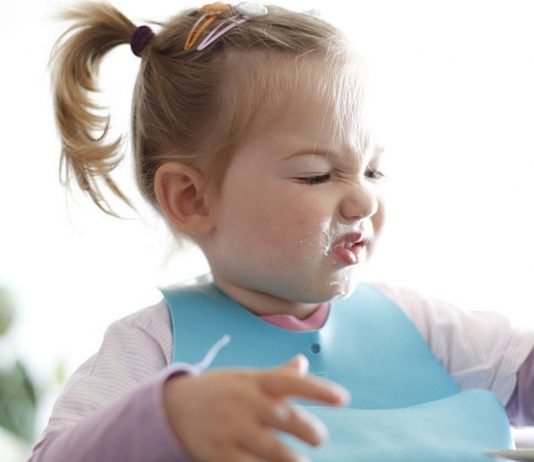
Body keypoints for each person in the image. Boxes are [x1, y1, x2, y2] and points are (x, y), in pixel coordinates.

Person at [30, 1, 534, 461]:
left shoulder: (420, 326)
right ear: (192, 198)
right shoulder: (152, 347)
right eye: (316, 174)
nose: (364, 200)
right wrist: (171, 419)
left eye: (373, 171)